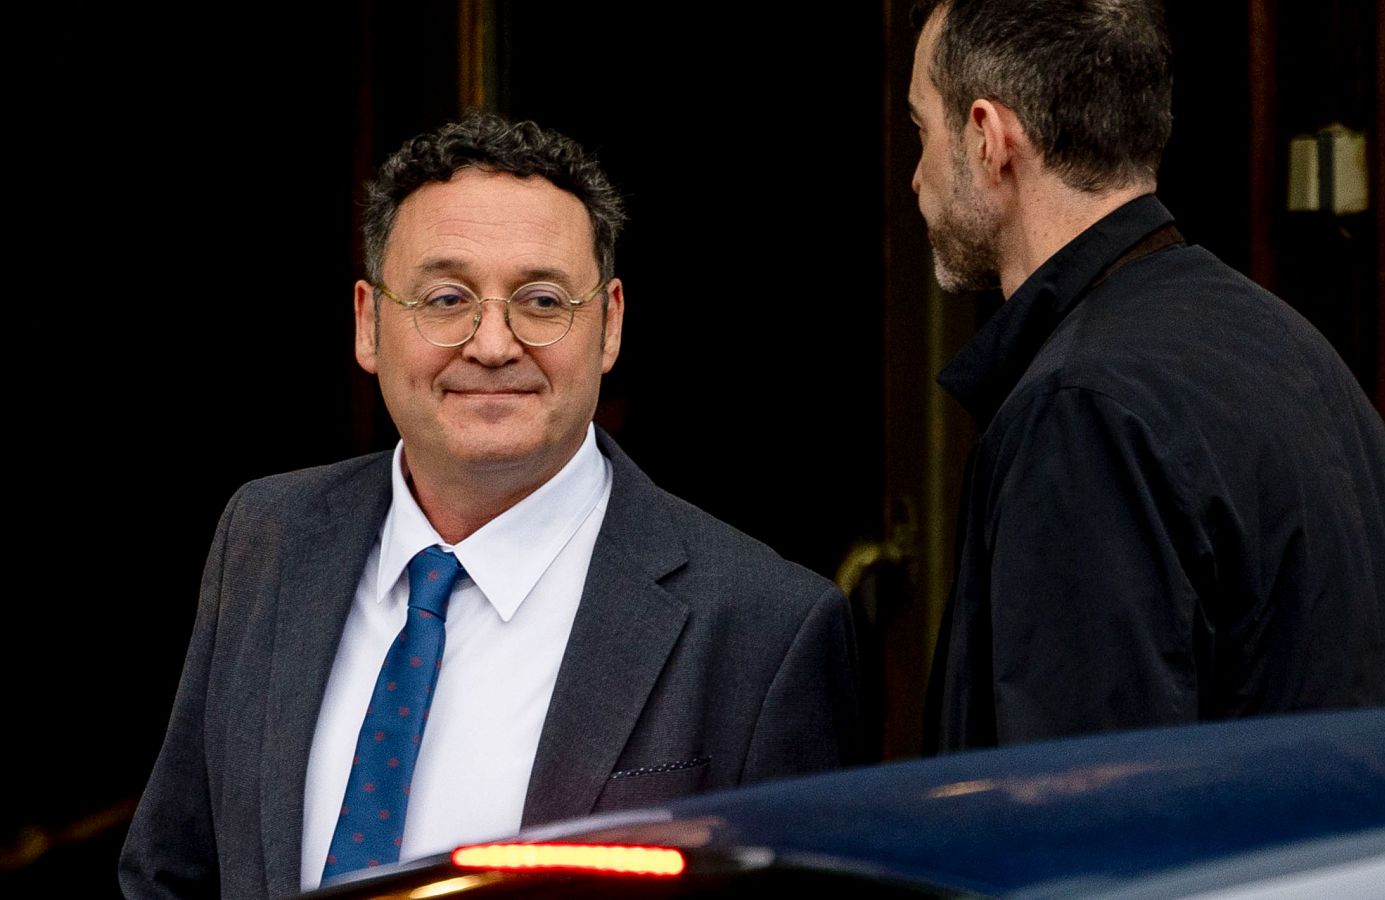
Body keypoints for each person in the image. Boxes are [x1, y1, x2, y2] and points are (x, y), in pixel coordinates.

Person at [118, 109, 859, 899]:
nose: (493, 343)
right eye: (445, 298)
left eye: (542, 300)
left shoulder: (765, 627)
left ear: (608, 324)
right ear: (369, 323)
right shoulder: (266, 537)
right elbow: (172, 873)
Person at [908, 0, 1385, 751]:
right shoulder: (1285, 345)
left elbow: (1082, 809)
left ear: (988, 137)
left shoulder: (1081, 412)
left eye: (922, 131)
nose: (916, 178)